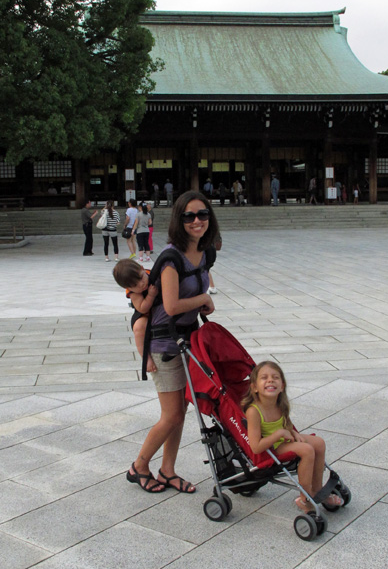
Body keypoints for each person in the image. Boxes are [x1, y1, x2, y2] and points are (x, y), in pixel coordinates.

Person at [124, 190, 219, 494]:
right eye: (189, 216)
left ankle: (167, 470)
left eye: (202, 214)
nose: (196, 221)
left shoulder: (206, 253)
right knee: (173, 414)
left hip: (187, 340)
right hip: (165, 345)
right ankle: (139, 466)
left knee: (180, 411)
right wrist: (204, 298)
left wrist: (202, 304)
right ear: (179, 219)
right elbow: (172, 305)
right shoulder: (170, 258)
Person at [242, 360, 343, 512]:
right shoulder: (254, 411)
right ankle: (305, 497)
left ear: (282, 386)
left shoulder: (280, 404)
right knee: (307, 450)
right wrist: (280, 434)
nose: (270, 380)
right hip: (272, 447)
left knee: (319, 443)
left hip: (283, 439)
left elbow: (286, 425)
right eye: (264, 378)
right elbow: (256, 447)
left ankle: (317, 489)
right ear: (254, 387)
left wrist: (292, 432)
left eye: (275, 377)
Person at [113, 259, 158, 373]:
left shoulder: (152, 273)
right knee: (139, 328)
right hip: (143, 313)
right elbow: (142, 307)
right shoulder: (134, 293)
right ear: (127, 288)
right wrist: (151, 296)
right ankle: (145, 358)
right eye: (135, 285)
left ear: (143, 269)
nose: (141, 284)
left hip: (158, 310)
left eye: (141, 277)